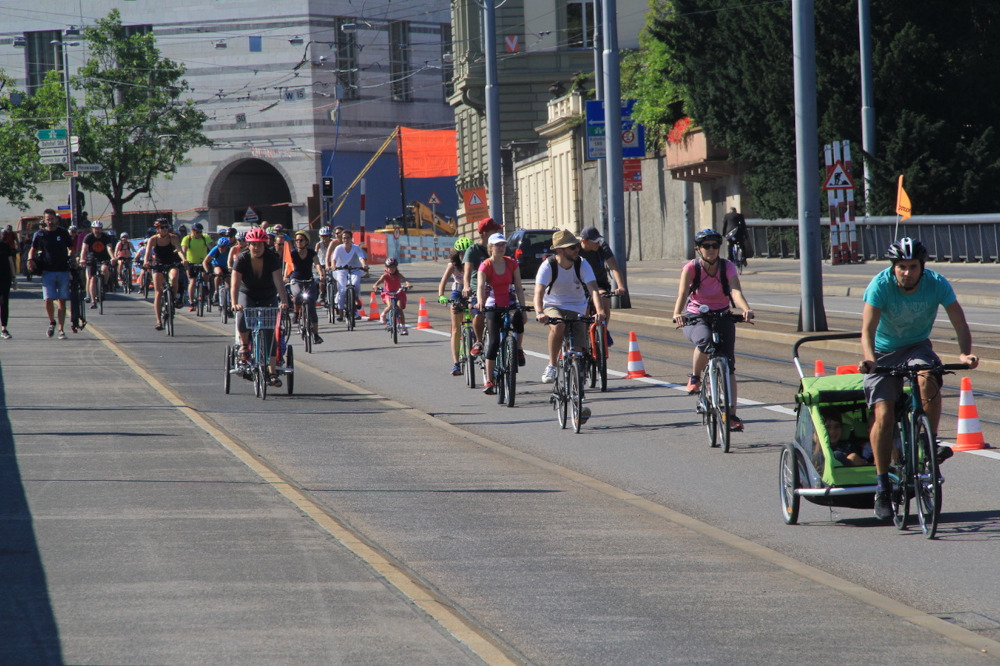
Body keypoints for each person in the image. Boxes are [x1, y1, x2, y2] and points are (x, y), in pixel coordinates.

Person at [858, 237, 978, 521]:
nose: (907, 272)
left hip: (917, 347)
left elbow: (958, 320)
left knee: (929, 376)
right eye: (901, 267)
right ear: (893, 267)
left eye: (913, 266)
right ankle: (882, 487)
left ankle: (930, 441)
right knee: (884, 413)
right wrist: (869, 359)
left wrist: (965, 354)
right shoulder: (880, 285)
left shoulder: (936, 283)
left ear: (922, 267)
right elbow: (867, 330)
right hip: (883, 352)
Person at [671, 228, 754, 432]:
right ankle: (695, 377)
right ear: (698, 249)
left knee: (729, 364)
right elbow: (682, 293)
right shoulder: (691, 268)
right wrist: (677, 313)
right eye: (706, 246)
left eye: (715, 246)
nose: (711, 249)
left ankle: (732, 415)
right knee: (705, 340)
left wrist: (745, 309)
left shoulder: (727, 267)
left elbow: (735, 291)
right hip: (695, 315)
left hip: (722, 314)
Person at [534, 229, 605, 385]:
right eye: (572, 247)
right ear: (560, 250)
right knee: (559, 326)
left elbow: (593, 289)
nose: (577, 249)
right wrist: (539, 312)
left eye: (577, 246)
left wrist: (600, 311)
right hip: (553, 304)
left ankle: (577, 393)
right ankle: (552, 364)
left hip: (577, 306)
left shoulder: (582, 263)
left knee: (577, 353)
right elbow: (538, 293)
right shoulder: (548, 266)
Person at [231, 227, 290, 386]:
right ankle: (244, 346)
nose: (256, 248)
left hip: (267, 294)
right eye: (253, 244)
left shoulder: (271, 258)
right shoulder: (241, 258)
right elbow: (235, 284)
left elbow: (279, 282)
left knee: (270, 331)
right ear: (248, 245)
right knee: (242, 315)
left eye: (260, 244)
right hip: (247, 293)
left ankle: (272, 372)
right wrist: (234, 303)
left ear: (265, 245)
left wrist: (284, 302)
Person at [477, 232, 527, 394]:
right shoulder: (485, 265)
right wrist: (480, 302)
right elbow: (480, 286)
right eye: (497, 245)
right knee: (493, 342)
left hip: (510, 302)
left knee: (519, 320)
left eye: (503, 245)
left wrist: (523, 307)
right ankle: (490, 380)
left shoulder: (512, 263)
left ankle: (517, 348)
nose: (501, 247)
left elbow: (518, 287)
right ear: (490, 248)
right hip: (492, 305)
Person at [27, 209, 74, 339]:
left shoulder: (63, 233)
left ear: (56, 219)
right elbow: (33, 248)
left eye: (52, 219)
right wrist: (30, 259)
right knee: (48, 299)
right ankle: (52, 321)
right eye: (48, 219)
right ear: (44, 220)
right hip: (48, 271)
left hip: (63, 270)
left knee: (62, 300)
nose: (50, 221)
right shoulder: (40, 234)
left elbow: (71, 247)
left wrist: (71, 257)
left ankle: (61, 329)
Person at [578, 225, 627, 346]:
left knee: (604, 300)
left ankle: (603, 329)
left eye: (599, 240)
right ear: (584, 241)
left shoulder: (602, 246)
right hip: (580, 284)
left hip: (599, 283)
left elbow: (614, 267)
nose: (598, 243)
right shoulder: (576, 249)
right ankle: (582, 337)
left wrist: (620, 286)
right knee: (584, 310)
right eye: (594, 242)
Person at [462, 217, 500, 356]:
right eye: (494, 230)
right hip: (478, 289)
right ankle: (479, 341)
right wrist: (466, 286)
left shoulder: (499, 248)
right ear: (485, 233)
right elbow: (467, 272)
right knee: (478, 313)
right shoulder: (473, 250)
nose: (497, 231)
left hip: (497, 289)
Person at [144, 219, 186, 330]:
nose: (165, 229)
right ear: (157, 229)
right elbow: (147, 253)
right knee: (158, 291)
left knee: (174, 277)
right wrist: (146, 263)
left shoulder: (173, 237)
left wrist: (184, 259)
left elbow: (179, 250)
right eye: (162, 227)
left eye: (166, 227)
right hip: (158, 264)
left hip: (171, 263)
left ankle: (173, 298)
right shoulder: (153, 240)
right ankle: (159, 321)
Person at [286, 230, 325, 344]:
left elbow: (317, 264)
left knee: (311, 306)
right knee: (298, 295)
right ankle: (297, 313)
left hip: (309, 280)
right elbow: (288, 265)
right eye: (296, 240)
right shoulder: (292, 253)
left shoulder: (312, 252)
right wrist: (285, 277)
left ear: (306, 241)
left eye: (301, 240)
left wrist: (321, 274)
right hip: (296, 279)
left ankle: (316, 335)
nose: (298, 242)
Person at [439, 241, 469, 375]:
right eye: (461, 254)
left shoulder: (473, 263)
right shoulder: (453, 265)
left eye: (466, 253)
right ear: (456, 254)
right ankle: (456, 363)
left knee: (478, 316)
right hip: (457, 291)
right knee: (456, 328)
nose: (463, 256)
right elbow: (443, 282)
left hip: (471, 290)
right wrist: (441, 296)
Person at [329, 229, 368, 319]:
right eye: (344, 238)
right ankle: (341, 312)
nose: (346, 240)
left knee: (355, 285)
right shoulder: (339, 248)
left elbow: (361, 257)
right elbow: (334, 259)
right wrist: (334, 266)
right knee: (342, 290)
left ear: (351, 238)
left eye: (348, 238)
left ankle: (354, 304)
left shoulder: (356, 247)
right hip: (341, 270)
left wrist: (364, 265)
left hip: (354, 269)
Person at [373, 258, 413, 334]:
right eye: (389, 268)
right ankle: (383, 314)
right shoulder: (385, 276)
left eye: (393, 267)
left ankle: (404, 327)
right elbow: (378, 282)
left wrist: (408, 284)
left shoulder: (398, 275)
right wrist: (375, 286)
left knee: (400, 308)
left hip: (398, 293)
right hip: (388, 293)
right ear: (386, 268)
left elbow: (405, 280)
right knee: (390, 305)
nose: (391, 269)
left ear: (396, 268)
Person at [80, 220, 113, 307]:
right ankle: (93, 300)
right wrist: (82, 259)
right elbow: (84, 249)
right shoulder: (88, 237)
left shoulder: (105, 236)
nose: (97, 231)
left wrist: (113, 257)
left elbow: (109, 248)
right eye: (95, 229)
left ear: (101, 229)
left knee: (105, 269)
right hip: (92, 258)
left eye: (99, 229)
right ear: (92, 229)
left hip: (104, 257)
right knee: (92, 279)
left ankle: (105, 284)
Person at [181, 223, 212, 311]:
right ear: (192, 231)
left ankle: (205, 287)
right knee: (192, 282)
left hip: (203, 262)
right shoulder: (187, 238)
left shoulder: (205, 237)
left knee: (206, 275)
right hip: (191, 262)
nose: (199, 234)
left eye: (200, 232)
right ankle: (191, 302)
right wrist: (184, 260)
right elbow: (183, 250)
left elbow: (211, 247)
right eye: (197, 232)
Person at [203, 236, 233, 304]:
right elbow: (205, 261)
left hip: (226, 266)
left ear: (227, 246)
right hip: (216, 265)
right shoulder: (215, 249)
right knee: (218, 273)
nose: (220, 248)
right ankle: (216, 292)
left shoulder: (230, 250)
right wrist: (207, 270)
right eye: (219, 246)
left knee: (229, 282)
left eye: (223, 247)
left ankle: (229, 299)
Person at [0, 229, 18, 339]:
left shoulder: (5, 246)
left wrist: (14, 278)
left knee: (3, 302)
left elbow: (11, 262)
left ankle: (4, 328)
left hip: (4, 278)